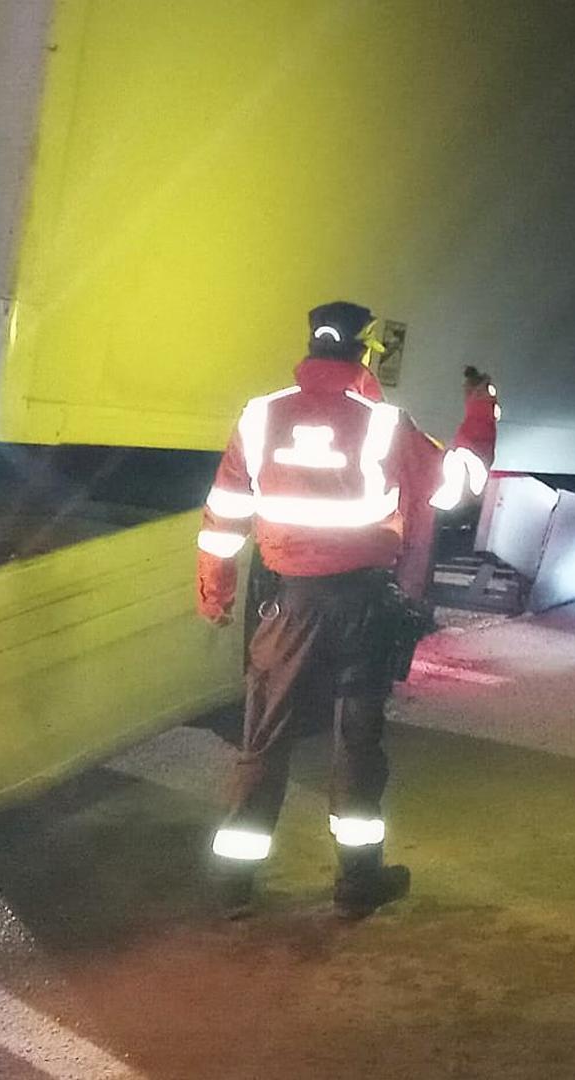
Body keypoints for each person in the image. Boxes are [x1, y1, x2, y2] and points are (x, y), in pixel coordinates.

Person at [194, 300, 495, 919]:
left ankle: (232, 888)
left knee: (264, 741)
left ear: (311, 346)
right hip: (362, 607)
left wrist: (216, 591)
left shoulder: (259, 415)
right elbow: (456, 487)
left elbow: (224, 513)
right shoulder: (385, 425)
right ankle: (358, 883)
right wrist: (481, 413)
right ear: (363, 354)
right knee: (357, 741)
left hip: (287, 606)